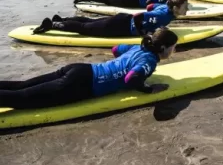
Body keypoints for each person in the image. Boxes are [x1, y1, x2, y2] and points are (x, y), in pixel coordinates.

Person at [0, 28, 177, 110]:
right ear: (163, 48)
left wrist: (120, 66)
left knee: (22, 86)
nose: (174, 51)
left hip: (81, 69)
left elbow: (116, 49)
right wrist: (149, 88)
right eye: (173, 47)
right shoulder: (150, 61)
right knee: (22, 99)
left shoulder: (140, 47)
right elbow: (131, 79)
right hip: (82, 85)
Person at [32, 0, 189, 37]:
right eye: (185, 7)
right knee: (84, 28)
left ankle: (62, 19)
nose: (187, 10)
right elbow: (139, 16)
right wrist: (144, 32)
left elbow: (150, 7)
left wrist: (152, 25)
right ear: (176, 7)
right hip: (120, 27)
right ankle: (51, 25)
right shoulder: (165, 17)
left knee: (88, 22)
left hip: (121, 19)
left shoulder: (165, 8)